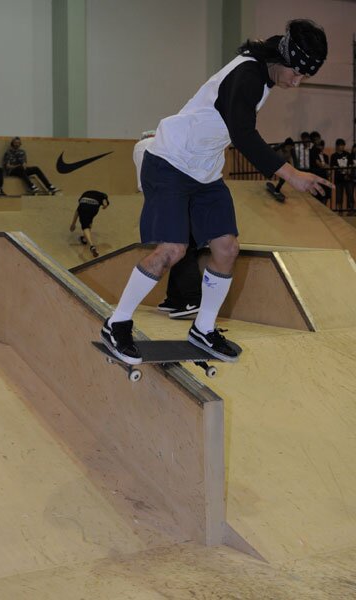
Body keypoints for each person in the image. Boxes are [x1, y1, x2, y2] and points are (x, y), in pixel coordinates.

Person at [101, 19, 332, 366]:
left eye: (303, 76)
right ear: (282, 59)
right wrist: (290, 173)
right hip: (170, 161)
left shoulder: (265, 72)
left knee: (227, 248)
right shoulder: (248, 75)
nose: (297, 82)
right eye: (296, 74)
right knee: (173, 250)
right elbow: (242, 133)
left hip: (205, 171)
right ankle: (117, 322)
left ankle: (203, 328)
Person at [134, 131, 202, 319]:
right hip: (184, 201)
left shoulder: (144, 147)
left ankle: (192, 300)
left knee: (180, 250)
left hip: (174, 201)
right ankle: (176, 298)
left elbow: (144, 185)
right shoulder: (173, 146)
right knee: (177, 250)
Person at [69, 189, 109, 257]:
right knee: (88, 221)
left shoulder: (85, 194)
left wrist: (73, 224)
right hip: (94, 207)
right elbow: (105, 202)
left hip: (84, 204)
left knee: (85, 225)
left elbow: (78, 210)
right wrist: (105, 205)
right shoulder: (103, 196)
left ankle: (89, 242)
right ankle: (88, 242)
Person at [330, 138, 352, 212]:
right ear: (337, 146)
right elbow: (332, 166)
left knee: (349, 194)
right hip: (338, 179)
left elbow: (350, 165)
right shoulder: (333, 156)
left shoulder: (348, 154)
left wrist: (348, 172)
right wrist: (339, 169)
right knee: (339, 195)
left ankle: (350, 210)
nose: (342, 147)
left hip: (348, 178)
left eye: (343, 145)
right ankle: (339, 210)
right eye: (340, 145)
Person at [310, 139, 331, 205]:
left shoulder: (326, 156)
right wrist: (325, 166)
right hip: (317, 176)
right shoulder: (314, 154)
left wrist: (328, 172)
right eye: (319, 146)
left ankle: (324, 209)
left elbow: (328, 167)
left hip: (324, 177)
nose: (320, 147)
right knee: (317, 194)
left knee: (326, 194)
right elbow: (319, 164)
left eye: (322, 146)